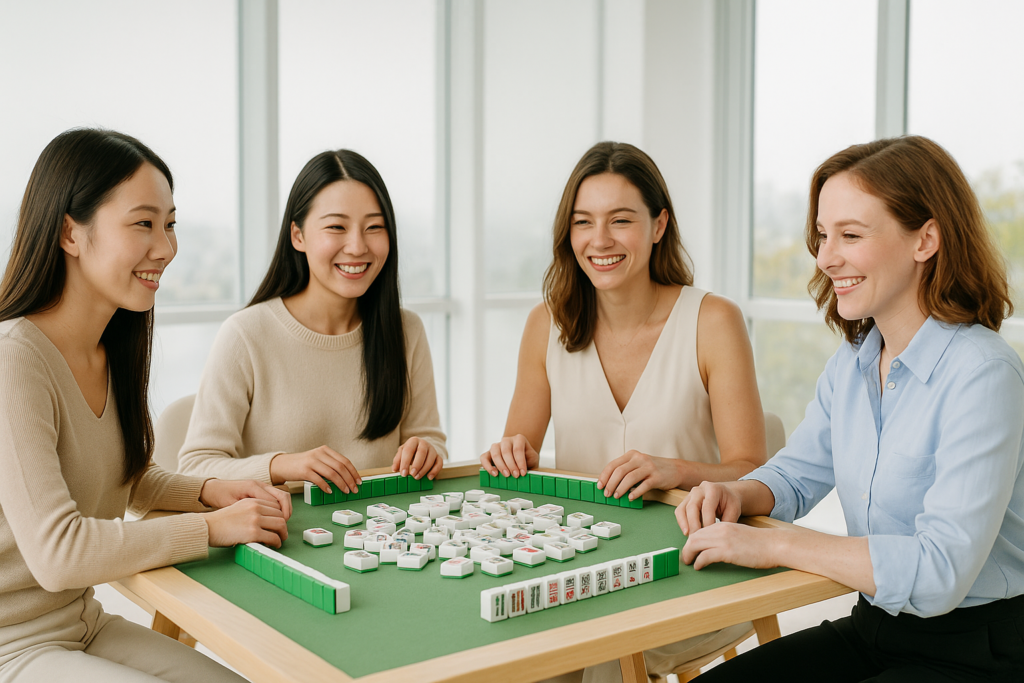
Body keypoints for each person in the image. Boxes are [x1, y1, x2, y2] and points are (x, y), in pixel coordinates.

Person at [680, 136, 1024, 682]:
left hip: (978, 652)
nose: (825, 257)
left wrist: (775, 544)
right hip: (874, 626)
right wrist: (737, 493)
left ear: (925, 240)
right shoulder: (854, 360)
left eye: (851, 235)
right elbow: (797, 474)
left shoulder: (984, 374)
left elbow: (939, 572)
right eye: (822, 235)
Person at [0, 128, 292, 682]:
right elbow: (58, 553)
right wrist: (212, 529)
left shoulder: (107, 347)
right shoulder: (14, 358)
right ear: (69, 232)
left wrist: (207, 491)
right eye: (143, 223)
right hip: (11, 647)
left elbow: (120, 476)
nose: (166, 247)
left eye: (170, 224)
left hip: (80, 622)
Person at [481, 141, 768, 681]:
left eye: (620, 220)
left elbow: (753, 470)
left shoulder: (713, 321)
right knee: (510, 650)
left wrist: (674, 470)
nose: (600, 240)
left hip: (690, 566)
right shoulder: (546, 325)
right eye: (583, 222)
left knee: (595, 655)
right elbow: (517, 458)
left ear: (659, 225)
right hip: (576, 567)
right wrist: (510, 453)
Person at [178, 149, 446, 493]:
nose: (357, 246)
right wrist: (283, 465)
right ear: (298, 236)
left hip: (382, 524)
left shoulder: (406, 330)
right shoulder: (245, 334)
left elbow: (431, 442)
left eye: (374, 227)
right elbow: (195, 467)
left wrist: (426, 452)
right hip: (281, 524)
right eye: (336, 227)